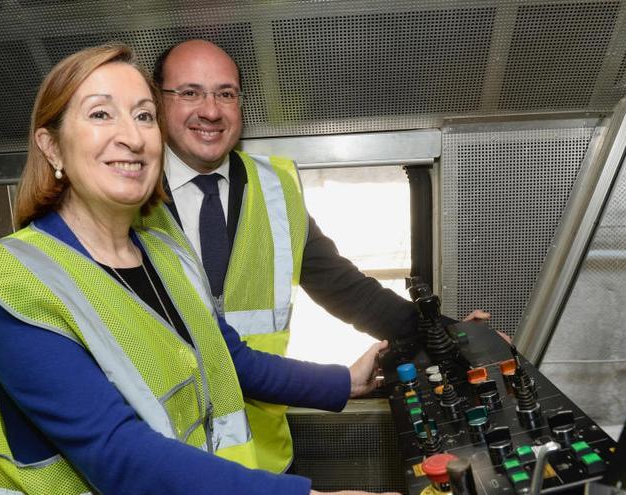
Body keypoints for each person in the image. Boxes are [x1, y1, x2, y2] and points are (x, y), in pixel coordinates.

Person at [0, 43, 398, 495]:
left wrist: (346, 381)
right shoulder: (8, 280)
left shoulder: (166, 253)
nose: (133, 137)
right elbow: (115, 451)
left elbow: (228, 360)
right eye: (101, 114)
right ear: (51, 146)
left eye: (143, 115)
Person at [140, 39, 491, 473]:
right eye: (190, 92)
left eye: (226, 94)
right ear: (156, 101)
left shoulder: (276, 189)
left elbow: (345, 289)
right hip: (162, 462)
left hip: (261, 459)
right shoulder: (125, 191)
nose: (211, 110)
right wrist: (336, 382)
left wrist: (457, 338)